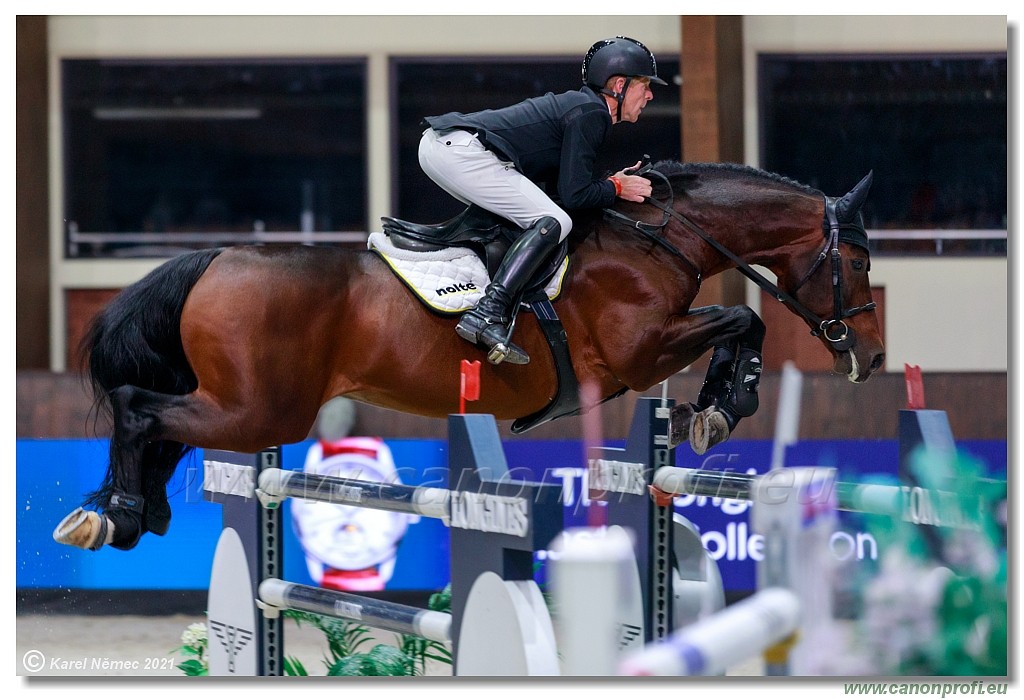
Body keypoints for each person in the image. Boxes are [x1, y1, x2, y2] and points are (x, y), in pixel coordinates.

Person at [418, 36, 666, 365]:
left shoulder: (583, 108)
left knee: (537, 216)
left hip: (445, 146)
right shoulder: (591, 113)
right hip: (460, 151)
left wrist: (610, 182)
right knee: (554, 222)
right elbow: (575, 197)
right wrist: (616, 189)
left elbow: (564, 190)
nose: (649, 94)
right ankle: (487, 313)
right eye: (645, 84)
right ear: (619, 84)